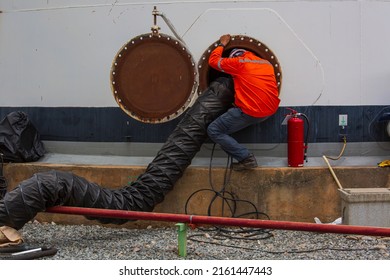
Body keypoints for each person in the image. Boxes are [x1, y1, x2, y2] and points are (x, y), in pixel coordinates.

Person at [207, 34, 280, 170]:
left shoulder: (238, 63)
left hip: (251, 111)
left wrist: (222, 44)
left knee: (214, 130)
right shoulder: (266, 64)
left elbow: (213, 61)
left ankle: (246, 158)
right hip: (270, 110)